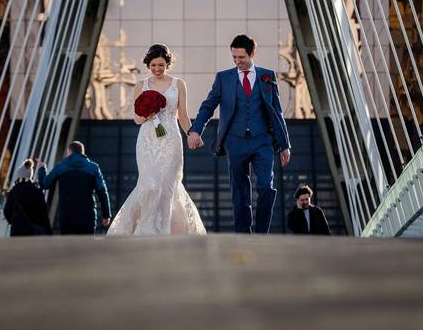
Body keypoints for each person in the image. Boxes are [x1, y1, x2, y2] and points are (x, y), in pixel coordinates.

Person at [188, 34, 290, 234]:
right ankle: (243, 233)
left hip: (263, 141)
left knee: (265, 187)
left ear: (252, 53)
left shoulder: (267, 76)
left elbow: (276, 111)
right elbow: (208, 106)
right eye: (234, 57)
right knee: (239, 191)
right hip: (235, 142)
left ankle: (261, 234)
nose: (237, 62)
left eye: (241, 57)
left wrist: (285, 144)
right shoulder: (223, 78)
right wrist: (195, 130)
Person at [108, 44, 206, 235]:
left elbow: (183, 116)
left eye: (161, 65)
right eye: (153, 65)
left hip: (171, 140)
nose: (157, 69)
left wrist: (193, 134)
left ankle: (168, 229)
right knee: (149, 185)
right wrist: (149, 114)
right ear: (148, 64)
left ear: (167, 64)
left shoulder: (178, 84)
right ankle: (144, 228)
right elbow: (136, 119)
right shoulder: (140, 85)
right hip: (147, 140)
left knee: (168, 186)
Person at [37, 141, 112, 235]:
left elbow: (45, 184)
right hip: (87, 216)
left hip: (67, 215)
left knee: (68, 247)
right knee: (86, 246)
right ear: (82, 152)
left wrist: (42, 169)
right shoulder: (93, 167)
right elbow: (102, 191)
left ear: (69, 152)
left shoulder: (60, 167)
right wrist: (106, 214)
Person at [2, 159, 52, 236]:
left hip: (16, 229)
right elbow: (44, 214)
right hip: (32, 231)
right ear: (30, 176)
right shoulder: (37, 192)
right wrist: (49, 232)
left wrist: (13, 221)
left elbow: (6, 211)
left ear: (18, 176)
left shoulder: (13, 192)